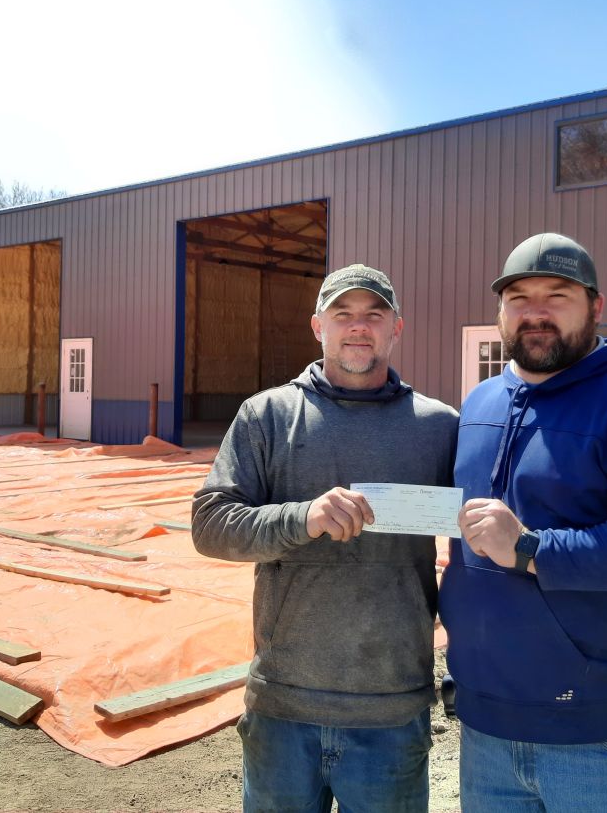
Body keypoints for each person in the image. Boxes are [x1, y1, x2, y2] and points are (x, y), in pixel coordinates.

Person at [438, 233, 607, 812]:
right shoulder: (480, 404)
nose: (535, 311)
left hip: (606, 729)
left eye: (557, 294)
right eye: (518, 297)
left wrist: (533, 547)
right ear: (500, 312)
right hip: (488, 722)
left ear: (596, 306)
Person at [192, 263, 459, 813]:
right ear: (318, 326)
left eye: (373, 315)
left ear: (396, 328)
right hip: (283, 706)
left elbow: (476, 549)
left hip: (391, 711)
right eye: (343, 314)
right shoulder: (266, 416)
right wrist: (302, 517)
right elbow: (210, 525)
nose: (357, 327)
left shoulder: (438, 426)